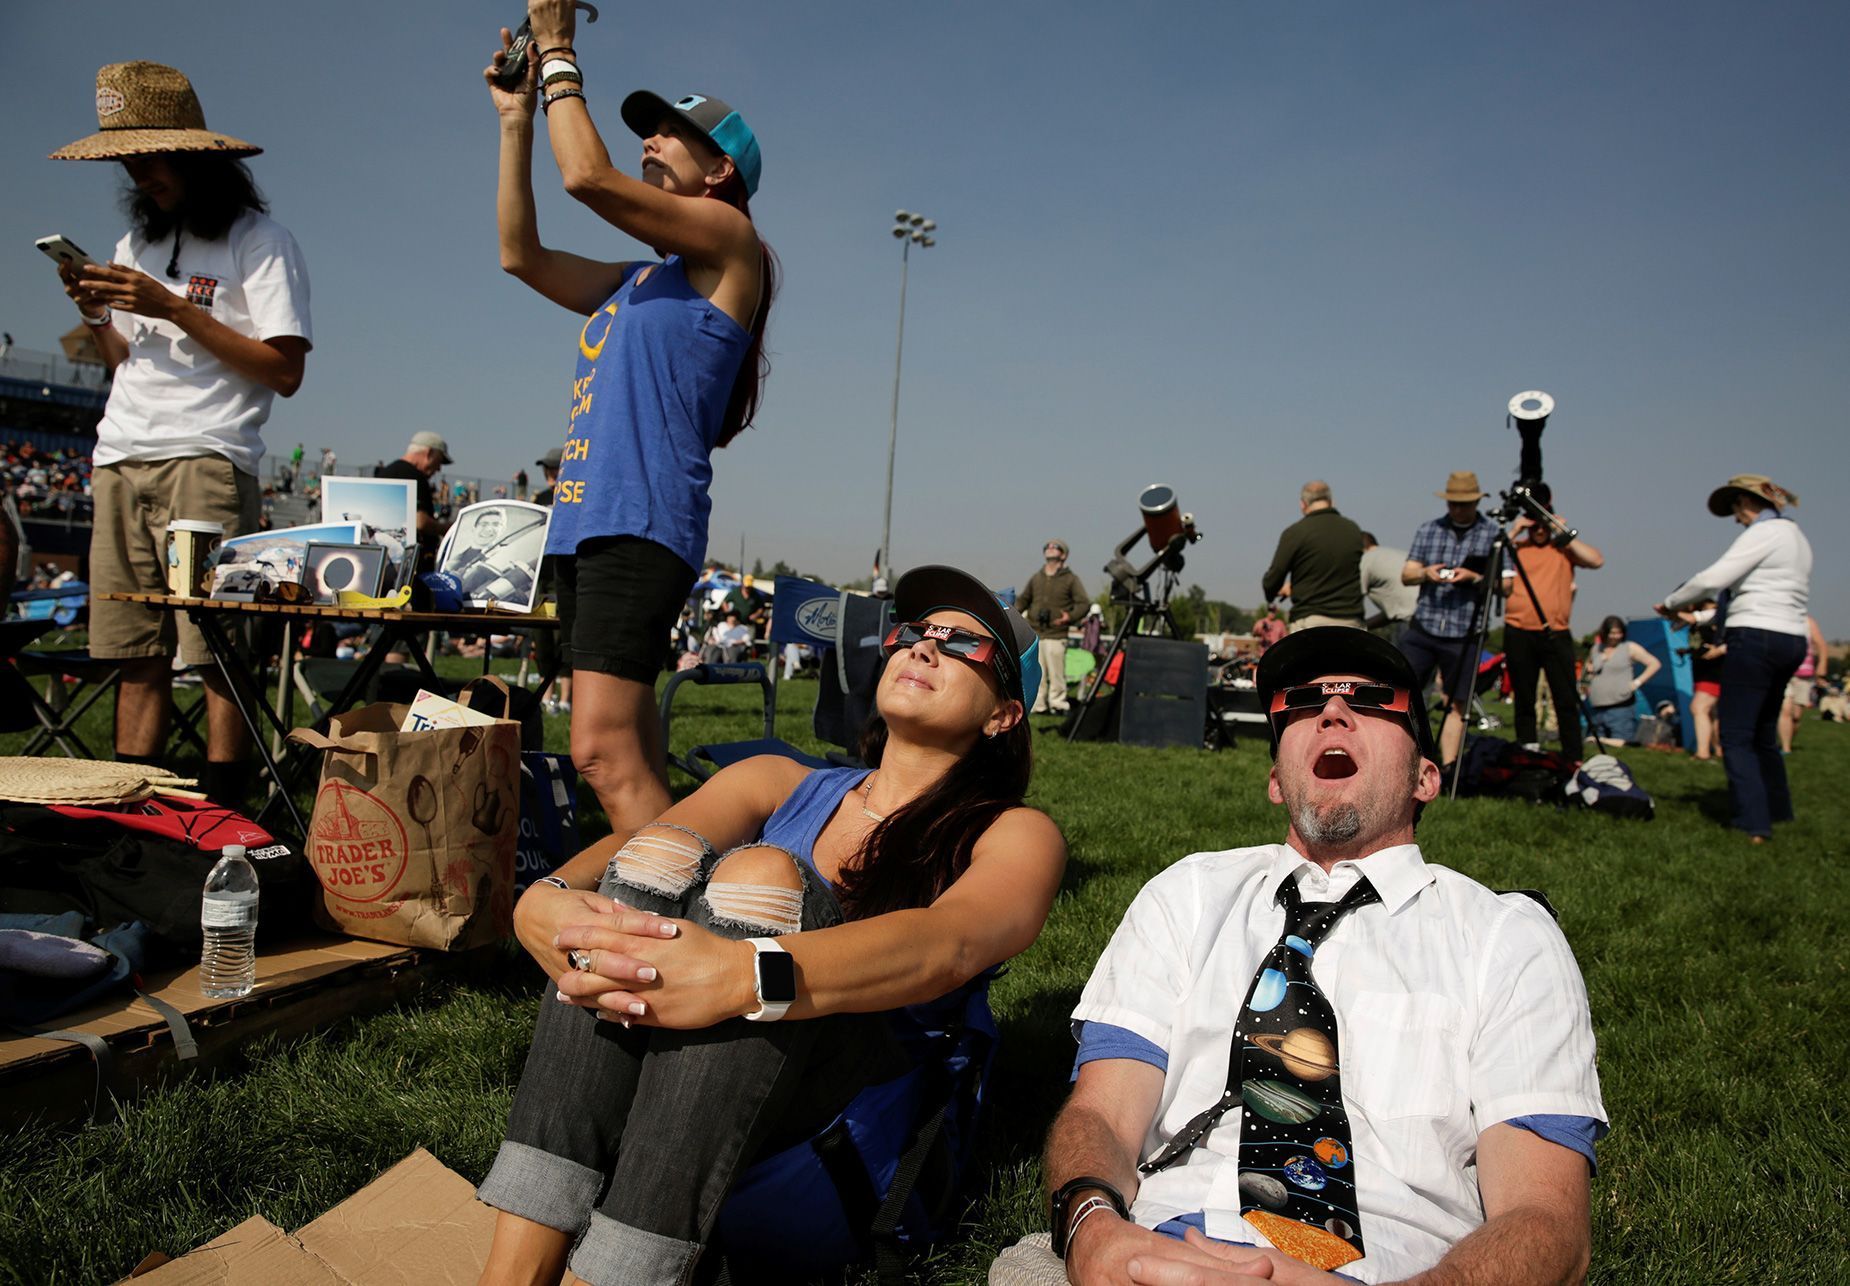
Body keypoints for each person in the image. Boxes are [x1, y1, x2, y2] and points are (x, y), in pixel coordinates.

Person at [476, 564, 1064, 1285]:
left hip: (836, 1134)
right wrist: (548, 894)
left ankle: (622, 1274)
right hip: (684, 1097)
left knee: (760, 878)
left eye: (964, 646)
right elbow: (646, 846)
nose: (925, 647)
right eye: (916, 632)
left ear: (1005, 713)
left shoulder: (1016, 833)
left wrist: (747, 976)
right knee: (659, 860)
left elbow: (954, 943)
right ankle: (512, 1274)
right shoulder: (779, 780)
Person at [992, 627, 1604, 1285]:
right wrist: (1090, 1228)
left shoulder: (1503, 937)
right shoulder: (1190, 893)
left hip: (1388, 1268)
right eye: (1303, 704)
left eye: (1371, 700)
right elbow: (1102, 1112)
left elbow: (1546, 1220)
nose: (1331, 712)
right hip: (1154, 1244)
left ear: (1426, 776)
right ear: (1276, 781)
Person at [487, 2, 775, 837]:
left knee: (602, 755)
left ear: (721, 172)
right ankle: (657, 915)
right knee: (632, 755)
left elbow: (586, 179)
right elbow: (521, 255)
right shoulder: (636, 279)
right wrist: (516, 120)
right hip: (586, 524)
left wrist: (558, 54)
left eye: (669, 132)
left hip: (640, 522)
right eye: (644, 129)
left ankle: (694, 920)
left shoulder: (728, 243)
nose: (649, 139)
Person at [49, 61, 311, 806]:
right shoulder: (135, 245)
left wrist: (174, 308)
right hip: (121, 455)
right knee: (135, 656)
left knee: (218, 655)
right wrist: (99, 312)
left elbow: (284, 370)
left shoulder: (259, 241)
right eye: (127, 161)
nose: (138, 175)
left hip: (207, 455)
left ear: (197, 156)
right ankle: (127, 824)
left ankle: (223, 816)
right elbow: (125, 362)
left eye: (150, 157)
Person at [1657, 476, 1812, 842]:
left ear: (1746, 501)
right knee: (1763, 733)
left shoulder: (1764, 532)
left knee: (1737, 735)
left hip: (1754, 639)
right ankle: (1779, 810)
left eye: (1735, 510)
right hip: (1791, 639)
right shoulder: (1797, 538)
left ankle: (1753, 823)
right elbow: (1759, 594)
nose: (1735, 519)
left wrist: (1672, 602)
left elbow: (1715, 578)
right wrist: (1693, 616)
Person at [1399, 470, 1498, 768]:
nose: (1457, 509)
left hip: (1464, 631)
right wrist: (1425, 573)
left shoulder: (1492, 534)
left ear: (1476, 502)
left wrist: (1475, 578)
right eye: (1453, 503)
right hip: (1425, 625)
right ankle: (1404, 758)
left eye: (1464, 503)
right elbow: (1407, 574)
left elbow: (1508, 584)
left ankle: (1449, 767)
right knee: (1402, 693)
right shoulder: (1428, 529)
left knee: (1457, 703)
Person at [1496, 483, 1605, 752]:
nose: (1540, 531)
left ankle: (1572, 755)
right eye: (1536, 526)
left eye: (1544, 525)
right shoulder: (1517, 548)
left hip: (1555, 632)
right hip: (1518, 630)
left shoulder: (1563, 550)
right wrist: (1516, 529)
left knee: (1565, 697)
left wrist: (1561, 530)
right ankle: (1527, 749)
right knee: (1524, 696)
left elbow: (1596, 560)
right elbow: (1494, 559)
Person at [1261, 481, 1365, 632]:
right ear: (1331, 502)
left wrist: (1271, 593)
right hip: (1352, 624)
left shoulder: (1295, 533)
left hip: (1310, 623)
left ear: (1303, 504)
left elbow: (1274, 578)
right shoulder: (1353, 530)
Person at [1015, 539, 1089, 715]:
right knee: (1037, 673)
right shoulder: (1037, 577)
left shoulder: (1071, 579)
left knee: (1057, 673)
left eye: (1055, 547)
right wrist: (1011, 615)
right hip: (1036, 632)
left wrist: (1069, 617)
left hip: (1057, 634)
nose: (1050, 548)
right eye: (1047, 547)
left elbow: (1083, 603)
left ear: (1063, 554)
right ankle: (1038, 705)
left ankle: (1058, 704)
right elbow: (1023, 600)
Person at [1580, 617, 1661, 745]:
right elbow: (1588, 670)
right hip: (1596, 708)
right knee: (1594, 744)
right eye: (1612, 633)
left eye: (1618, 633)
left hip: (1620, 708)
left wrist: (1637, 683)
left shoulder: (1629, 648)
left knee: (1621, 743)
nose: (1615, 636)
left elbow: (1654, 663)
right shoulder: (1596, 649)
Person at [374, 431, 451, 557]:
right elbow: (420, 521)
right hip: (410, 563)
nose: (438, 468)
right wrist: (446, 528)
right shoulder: (414, 476)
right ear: (429, 453)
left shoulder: (387, 472)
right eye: (439, 460)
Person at [1672, 603, 1726, 760]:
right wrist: (1688, 651)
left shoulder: (1711, 622)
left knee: (1698, 707)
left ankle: (1703, 753)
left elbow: (1719, 644)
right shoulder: (1694, 626)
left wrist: (1719, 649)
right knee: (1713, 713)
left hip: (1715, 673)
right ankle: (1719, 750)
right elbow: (1699, 646)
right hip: (1702, 673)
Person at [1777, 615, 1828, 753]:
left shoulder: (1807, 621)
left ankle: (1788, 741)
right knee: (1785, 710)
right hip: (1784, 672)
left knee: (1796, 717)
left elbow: (1821, 644)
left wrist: (1822, 664)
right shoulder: (1778, 618)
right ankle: (1786, 748)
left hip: (1804, 674)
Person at [1356, 531, 1416, 638]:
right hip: (1427, 621)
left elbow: (1349, 598)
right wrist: (1362, 627)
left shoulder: (1366, 559)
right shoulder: (1399, 555)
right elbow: (1393, 612)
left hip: (1409, 625)